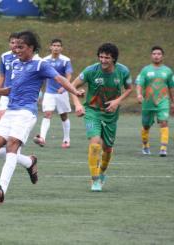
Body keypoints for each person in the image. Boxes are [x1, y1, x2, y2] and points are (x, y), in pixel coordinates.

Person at [0, 31, 84, 203]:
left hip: (26, 112)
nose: (17, 50)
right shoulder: (15, 64)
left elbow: (60, 79)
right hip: (10, 111)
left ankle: (1, 190)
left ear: (31, 48)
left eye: (21, 47)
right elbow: (12, 89)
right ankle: (29, 162)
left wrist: (75, 91)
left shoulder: (40, 64)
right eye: (15, 46)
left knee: (11, 146)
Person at [71, 43, 133, 192]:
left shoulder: (123, 71)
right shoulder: (91, 71)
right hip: (92, 112)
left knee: (107, 148)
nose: (103, 60)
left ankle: (102, 172)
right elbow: (72, 86)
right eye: (101, 57)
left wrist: (117, 101)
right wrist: (78, 105)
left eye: (107, 57)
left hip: (111, 115)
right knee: (95, 142)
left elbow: (129, 89)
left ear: (114, 59)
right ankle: (95, 180)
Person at [33, 38, 73, 148]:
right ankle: (42, 138)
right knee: (47, 114)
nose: (56, 47)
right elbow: (41, 76)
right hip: (49, 93)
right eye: (54, 45)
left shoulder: (66, 60)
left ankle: (66, 139)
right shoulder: (44, 60)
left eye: (58, 46)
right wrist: (38, 89)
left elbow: (69, 76)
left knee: (64, 116)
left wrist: (64, 87)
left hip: (62, 93)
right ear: (50, 47)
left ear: (61, 48)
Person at [136, 46, 174, 157]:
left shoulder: (168, 71)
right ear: (151, 56)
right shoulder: (145, 70)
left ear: (162, 56)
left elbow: (172, 88)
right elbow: (139, 84)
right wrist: (138, 94)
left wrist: (173, 101)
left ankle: (163, 148)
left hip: (163, 101)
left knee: (164, 122)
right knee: (146, 126)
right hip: (148, 102)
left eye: (158, 54)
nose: (156, 56)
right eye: (154, 54)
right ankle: (145, 145)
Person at [0, 32, 19, 119]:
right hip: (5, 93)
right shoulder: (4, 56)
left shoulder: (23, 56)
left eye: (17, 43)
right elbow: (2, 75)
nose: (14, 45)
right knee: (2, 118)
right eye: (12, 43)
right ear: (9, 44)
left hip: (19, 93)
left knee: (16, 121)